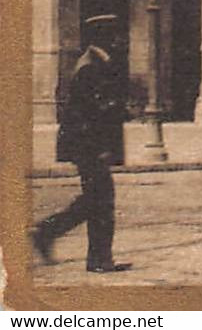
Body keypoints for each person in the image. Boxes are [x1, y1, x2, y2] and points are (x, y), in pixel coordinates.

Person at [32, 15, 130, 273]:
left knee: (94, 199)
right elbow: (90, 112)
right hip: (90, 145)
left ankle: (46, 233)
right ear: (102, 36)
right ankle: (97, 259)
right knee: (101, 199)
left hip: (89, 144)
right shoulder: (91, 66)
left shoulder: (97, 63)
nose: (119, 38)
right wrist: (101, 145)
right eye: (114, 33)